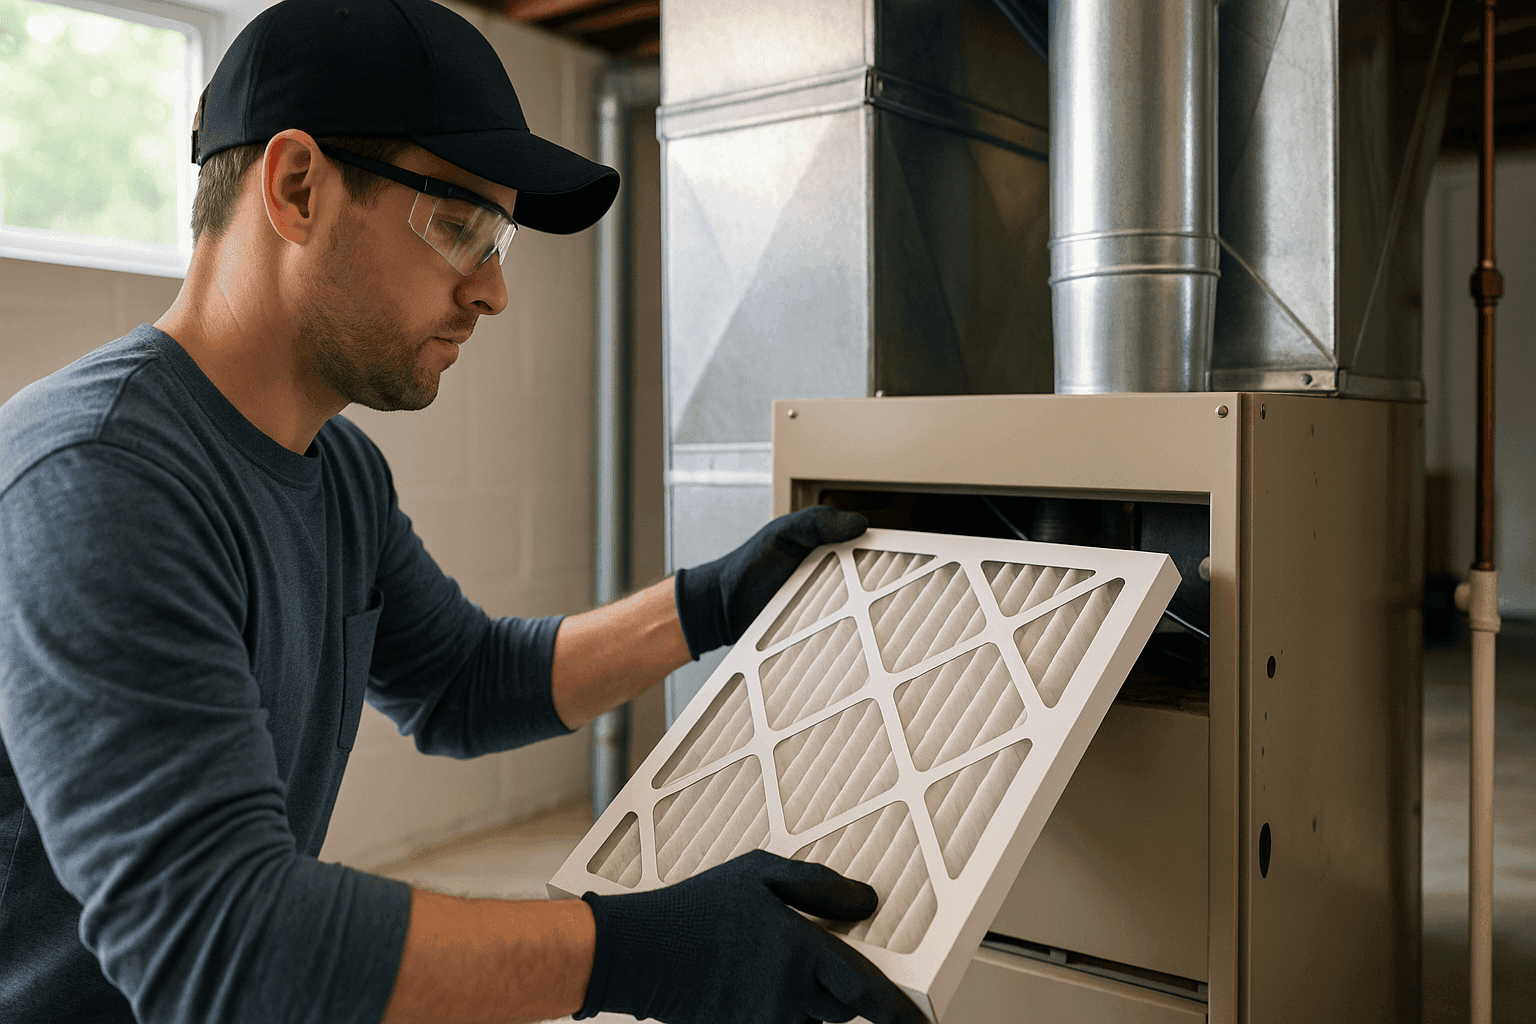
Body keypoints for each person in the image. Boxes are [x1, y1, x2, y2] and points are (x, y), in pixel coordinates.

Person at [0, 2, 929, 1024]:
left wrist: (711, 602)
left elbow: (463, 683)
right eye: (460, 226)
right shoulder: (96, 475)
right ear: (298, 187)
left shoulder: (339, 470)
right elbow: (225, 938)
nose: (492, 290)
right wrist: (635, 947)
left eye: (499, 240)